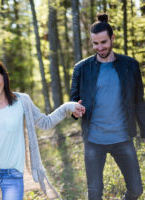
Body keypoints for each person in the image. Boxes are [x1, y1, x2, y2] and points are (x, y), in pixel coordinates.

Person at [0, 58, 85, 200]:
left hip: (13, 175)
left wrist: (68, 107)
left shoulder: (22, 101)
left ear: (4, 77)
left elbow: (45, 122)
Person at [70, 13, 145, 200]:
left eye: (103, 42)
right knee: (94, 194)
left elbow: (139, 102)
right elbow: (74, 102)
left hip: (122, 138)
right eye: (95, 44)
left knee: (136, 190)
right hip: (94, 140)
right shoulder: (81, 68)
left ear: (112, 38)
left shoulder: (130, 66)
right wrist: (75, 110)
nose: (99, 48)